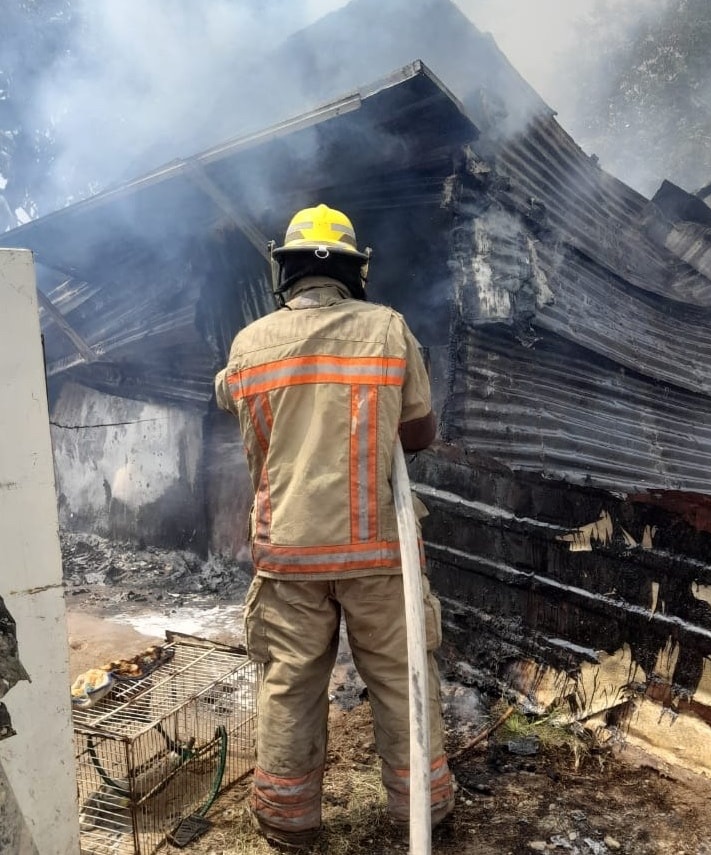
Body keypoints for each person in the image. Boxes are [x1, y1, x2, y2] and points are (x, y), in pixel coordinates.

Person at [214, 203, 454, 851]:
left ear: (284, 271)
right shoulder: (387, 329)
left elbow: (228, 399)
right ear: (356, 271)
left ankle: (288, 823)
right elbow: (420, 431)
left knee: (289, 682)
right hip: (377, 547)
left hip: (286, 553)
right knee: (402, 677)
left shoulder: (247, 345)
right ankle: (423, 810)